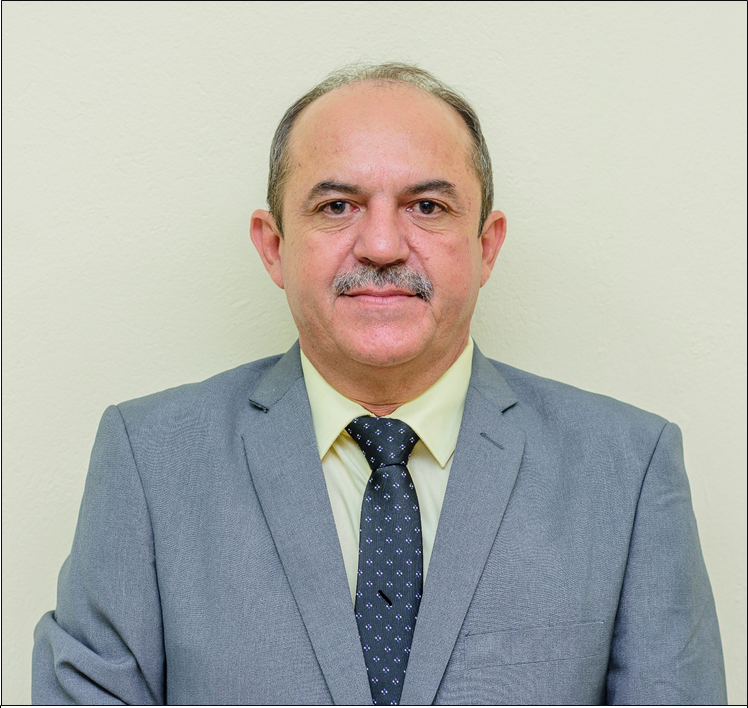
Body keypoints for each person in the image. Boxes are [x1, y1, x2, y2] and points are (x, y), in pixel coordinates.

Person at [32, 63, 727, 706]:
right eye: (338, 206)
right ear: (274, 246)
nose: (383, 246)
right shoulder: (149, 461)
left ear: (486, 246)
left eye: (427, 206)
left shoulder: (628, 470)